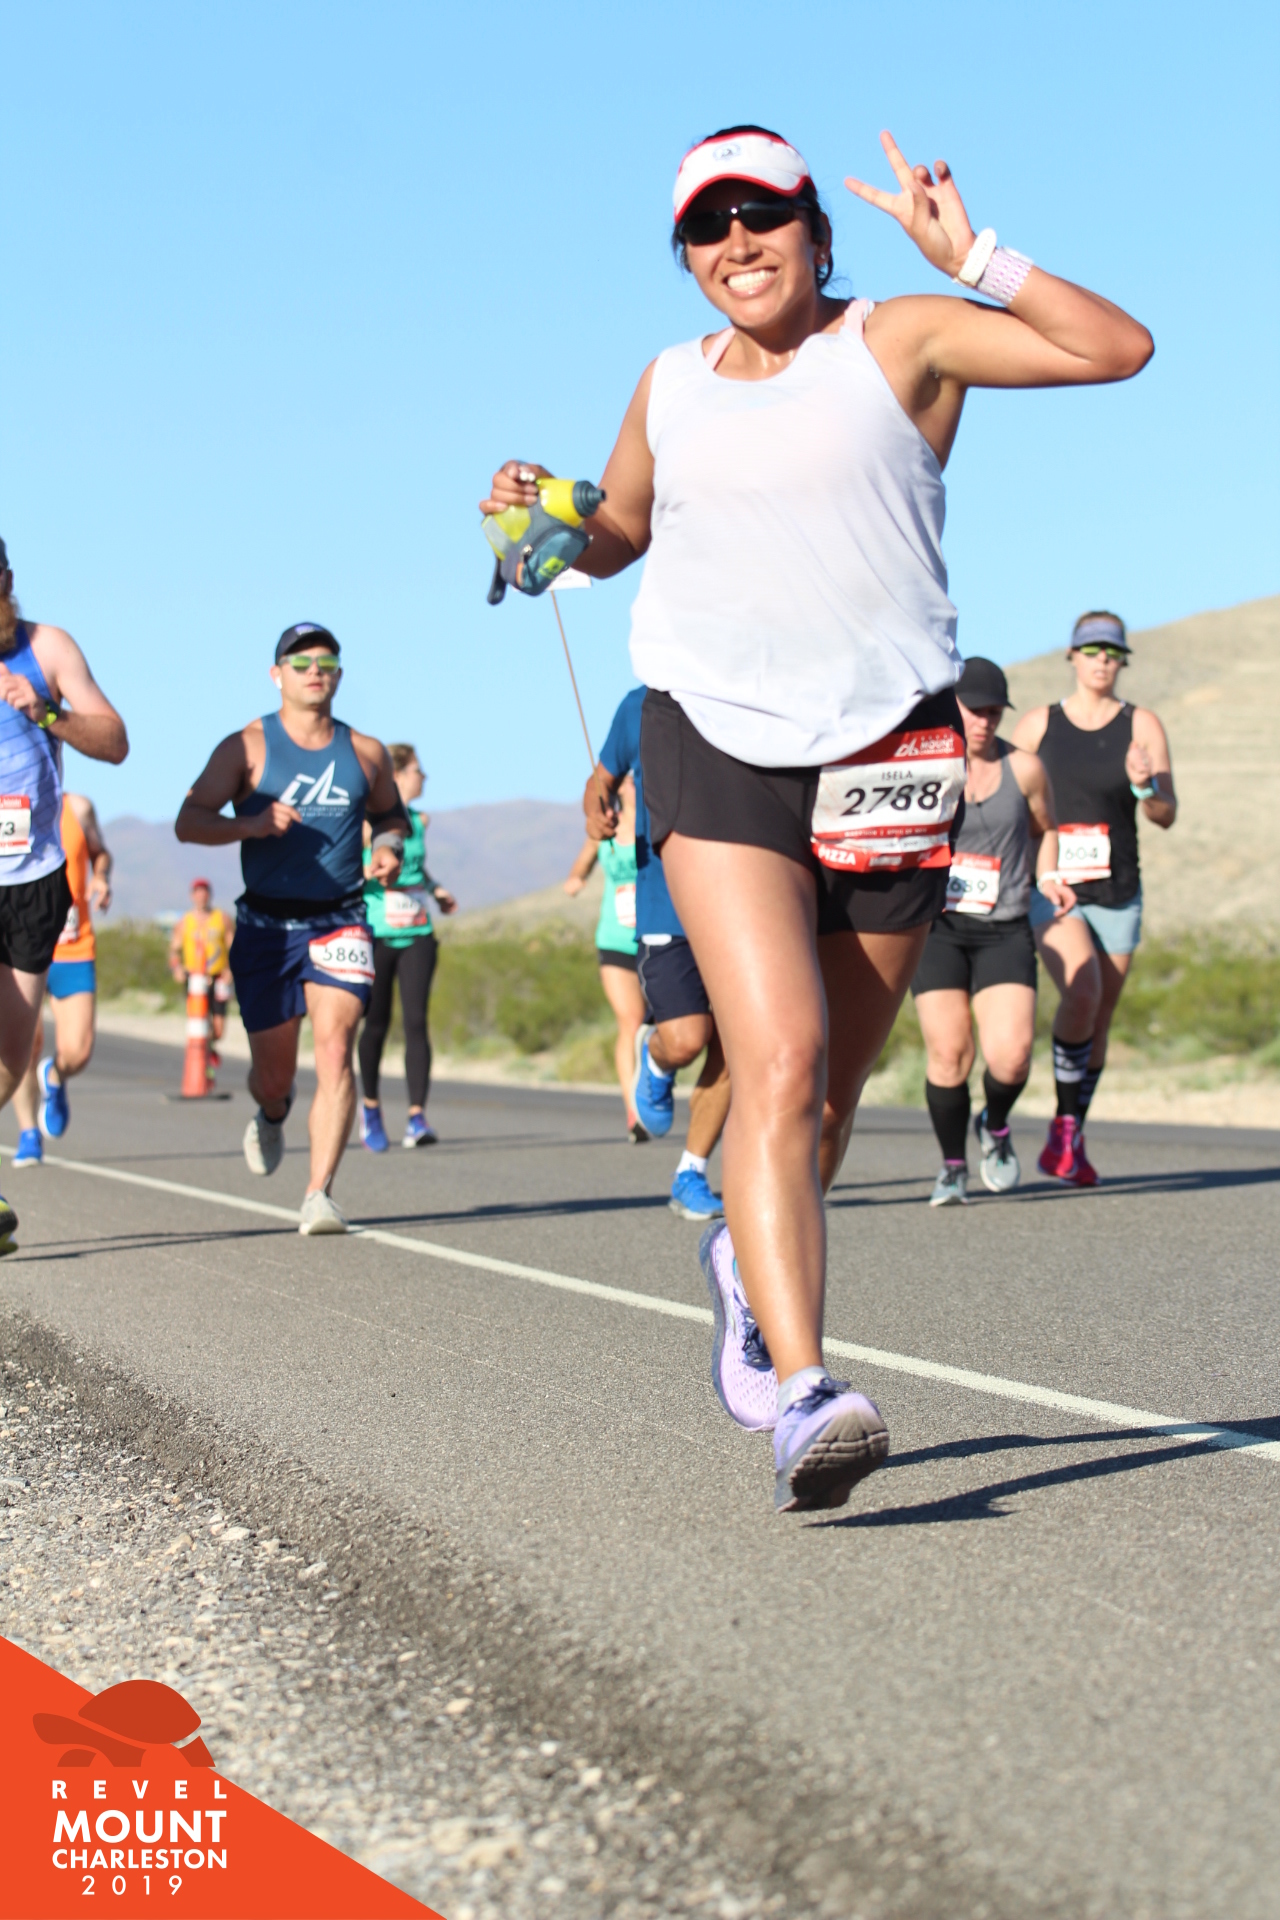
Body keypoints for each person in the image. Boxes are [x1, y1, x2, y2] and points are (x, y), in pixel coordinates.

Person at [482, 124, 1152, 1510]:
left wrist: (975, 257)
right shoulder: (669, 382)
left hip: (888, 753)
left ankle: (744, 1258)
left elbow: (1115, 349)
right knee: (777, 1062)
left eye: (764, 214)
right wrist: (547, 524)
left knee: (830, 1097)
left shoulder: (899, 338)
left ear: (814, 230)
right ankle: (805, 1391)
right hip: (716, 745)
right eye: (708, 225)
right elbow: (619, 530)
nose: (738, 242)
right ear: (686, 254)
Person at [175, 622, 408, 1234]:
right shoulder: (245, 748)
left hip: (341, 920)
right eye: (300, 663)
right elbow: (189, 821)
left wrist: (387, 848)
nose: (314, 672)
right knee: (273, 1077)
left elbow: (392, 817)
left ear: (339, 674)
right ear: (276, 675)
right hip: (266, 926)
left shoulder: (366, 752)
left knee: (335, 1050)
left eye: (325, 662)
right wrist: (249, 826)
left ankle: (319, 1194)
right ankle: (273, 1113)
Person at [1012, 611, 1176, 1184]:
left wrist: (1143, 784)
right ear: (1072, 657)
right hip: (1054, 886)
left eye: (1112, 652)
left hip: (1118, 888)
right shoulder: (1039, 724)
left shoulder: (1142, 724)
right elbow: (1003, 793)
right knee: (1083, 993)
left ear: (1123, 660)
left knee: (1099, 1015)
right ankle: (1059, 1125)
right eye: (1092, 650)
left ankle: (1068, 1135)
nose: (1102, 661)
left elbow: (1165, 815)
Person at [0, 537, 128, 1248]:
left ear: (6, 580)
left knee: (11, 1058)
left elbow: (115, 742)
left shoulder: (45, 648)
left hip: (33, 879)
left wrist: (46, 711)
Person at [910, 658, 1075, 1205]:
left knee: (1012, 1056)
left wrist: (1048, 875)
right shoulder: (929, 762)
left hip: (1004, 926)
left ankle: (995, 1125)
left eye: (994, 712)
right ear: (952, 707)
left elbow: (1046, 828)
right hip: (938, 926)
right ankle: (953, 1166)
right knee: (949, 1053)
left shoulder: (1024, 768)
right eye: (974, 710)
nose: (984, 721)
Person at [584, 685, 731, 1221]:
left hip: (742, 907)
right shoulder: (642, 704)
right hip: (665, 906)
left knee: (737, 1047)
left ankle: (691, 1171)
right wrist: (594, 814)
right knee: (688, 1038)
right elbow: (599, 781)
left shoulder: (754, 691)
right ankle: (657, 1055)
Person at [358, 742, 457, 1150]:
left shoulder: (419, 820)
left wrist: (435, 889)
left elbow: (415, 865)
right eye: (418, 771)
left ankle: (417, 1117)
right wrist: (369, 872)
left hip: (417, 932)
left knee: (416, 1022)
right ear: (396, 775)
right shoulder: (367, 824)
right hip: (378, 932)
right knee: (376, 1023)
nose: (423, 778)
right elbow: (349, 868)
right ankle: (370, 1108)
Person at [11, 794, 113, 1166]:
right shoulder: (10, 803)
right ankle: (28, 1133)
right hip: (22, 945)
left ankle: (55, 1075)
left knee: (78, 1051)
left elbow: (101, 853)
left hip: (73, 946)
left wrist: (100, 875)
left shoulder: (78, 807)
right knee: (25, 1045)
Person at [564, 774, 646, 1139]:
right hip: (615, 939)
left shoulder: (656, 826)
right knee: (631, 1020)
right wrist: (576, 880)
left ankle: (653, 1084)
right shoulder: (605, 829)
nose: (634, 785)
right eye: (628, 781)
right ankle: (634, 1110)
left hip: (656, 938)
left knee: (659, 1027)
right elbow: (580, 866)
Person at [168, 877, 234, 1063]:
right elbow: (174, 950)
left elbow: (234, 947)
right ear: (192, 896)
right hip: (194, 978)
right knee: (198, 1019)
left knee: (218, 1028)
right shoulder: (185, 921)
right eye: (197, 893)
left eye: (204, 893)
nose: (201, 897)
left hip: (218, 976)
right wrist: (177, 968)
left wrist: (231, 969)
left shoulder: (222, 918)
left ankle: (210, 1045)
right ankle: (200, 1058)